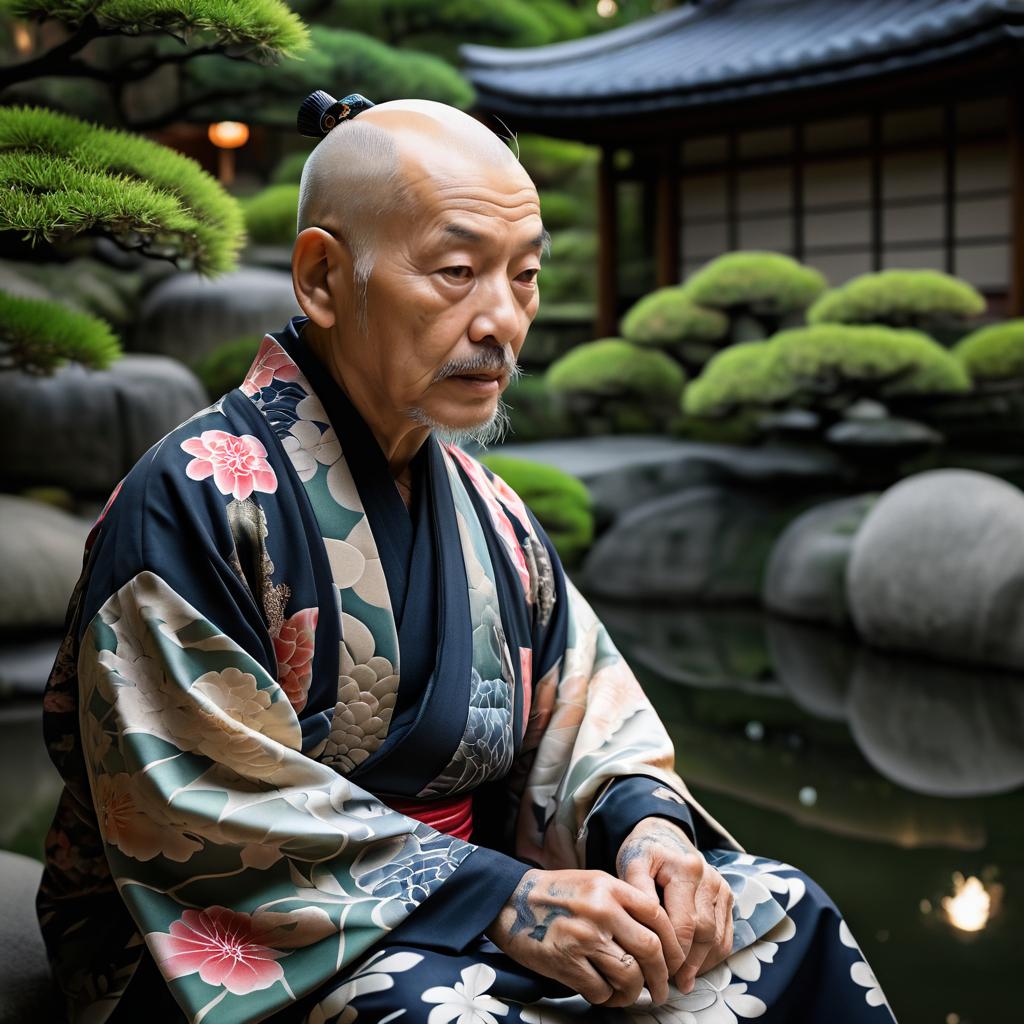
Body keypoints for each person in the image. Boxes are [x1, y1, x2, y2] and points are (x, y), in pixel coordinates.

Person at [36, 92, 897, 1024]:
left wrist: (646, 828)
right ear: (323, 278)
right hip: (230, 944)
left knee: (782, 913)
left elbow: (583, 708)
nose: (502, 322)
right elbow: (201, 814)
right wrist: (502, 900)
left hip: (475, 906)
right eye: (456, 272)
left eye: (523, 277)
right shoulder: (195, 498)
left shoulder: (491, 510)